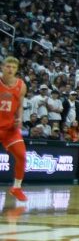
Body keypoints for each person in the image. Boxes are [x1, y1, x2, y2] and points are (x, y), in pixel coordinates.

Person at [0, 57, 28, 202]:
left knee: (22, 156)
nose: (10, 69)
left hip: (10, 128)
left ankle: (16, 187)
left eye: (13, 67)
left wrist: (20, 118)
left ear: (17, 70)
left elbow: (20, 105)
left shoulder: (21, 85)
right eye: (8, 66)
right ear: (2, 67)